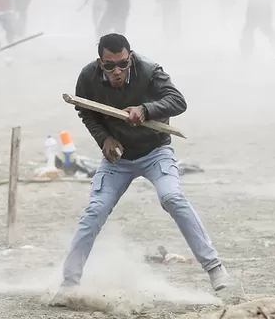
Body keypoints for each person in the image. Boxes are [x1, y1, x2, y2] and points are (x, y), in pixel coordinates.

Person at [53, 33, 231, 304]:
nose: (117, 72)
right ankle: (68, 285)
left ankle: (215, 268)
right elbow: (85, 110)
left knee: (172, 197)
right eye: (109, 66)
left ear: (130, 57)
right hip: (118, 159)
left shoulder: (149, 70)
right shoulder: (87, 77)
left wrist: (147, 109)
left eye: (123, 64)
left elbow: (177, 101)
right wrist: (104, 139)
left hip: (155, 151)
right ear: (100, 62)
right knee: (95, 210)